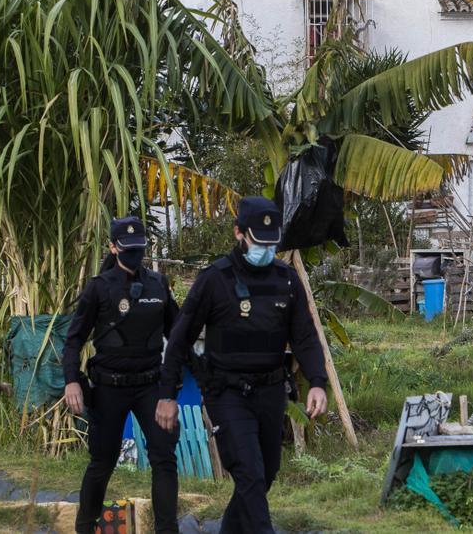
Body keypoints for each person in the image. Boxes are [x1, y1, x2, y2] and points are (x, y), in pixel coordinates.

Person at [156, 196, 328, 534]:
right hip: (227, 392)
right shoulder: (214, 280)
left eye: (271, 243)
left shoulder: (286, 279)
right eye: (258, 241)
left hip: (269, 390)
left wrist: (318, 381)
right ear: (239, 233)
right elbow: (179, 338)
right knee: (248, 473)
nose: (265, 249)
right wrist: (167, 393)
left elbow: (305, 336)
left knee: (265, 475)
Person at [62, 215, 179, 534]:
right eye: (127, 248)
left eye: (139, 248)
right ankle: (85, 527)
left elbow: (179, 335)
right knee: (102, 461)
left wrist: (174, 389)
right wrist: (72, 379)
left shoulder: (159, 284)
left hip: (150, 386)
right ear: (113, 248)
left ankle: (168, 530)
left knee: (164, 458)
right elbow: (73, 340)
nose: (134, 254)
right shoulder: (99, 288)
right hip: (108, 388)